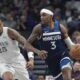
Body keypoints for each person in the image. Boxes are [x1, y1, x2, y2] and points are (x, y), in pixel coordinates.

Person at [27, 8, 74, 80]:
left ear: (51, 16)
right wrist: (33, 57)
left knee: (66, 74)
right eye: (40, 16)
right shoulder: (38, 28)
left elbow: (70, 45)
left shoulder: (60, 27)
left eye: (44, 15)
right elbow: (26, 45)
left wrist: (76, 50)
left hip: (62, 55)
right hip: (50, 60)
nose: (41, 17)